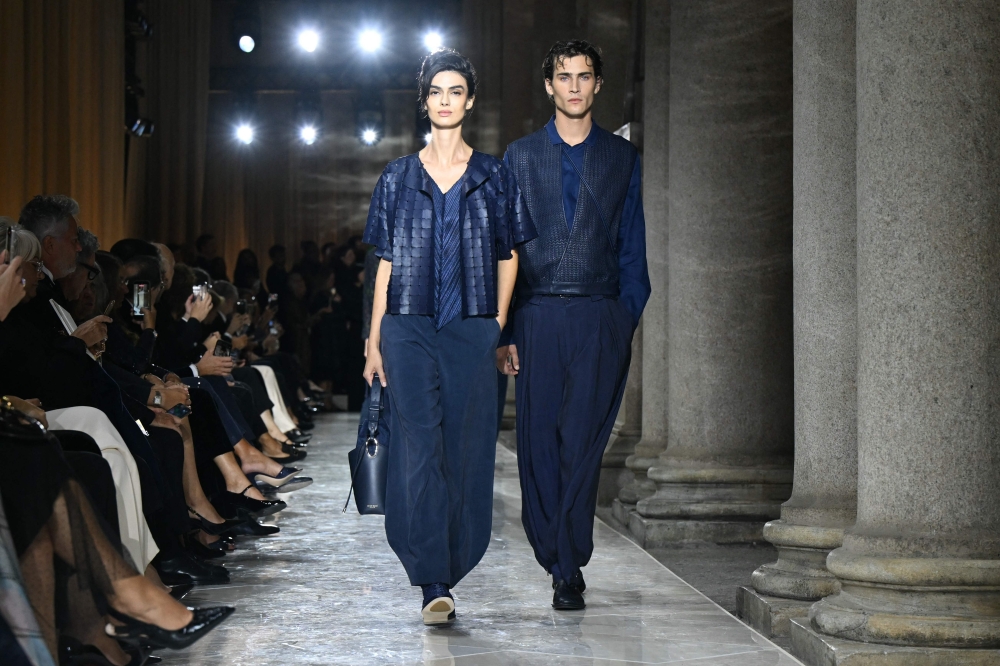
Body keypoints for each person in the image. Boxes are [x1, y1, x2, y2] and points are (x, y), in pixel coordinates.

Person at [363, 48, 535, 625]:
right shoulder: (396, 177)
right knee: (417, 447)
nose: (444, 99)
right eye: (436, 90)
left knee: (464, 448)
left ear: (470, 100)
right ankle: (432, 579)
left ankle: (449, 566)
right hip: (406, 327)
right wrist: (373, 338)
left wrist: (496, 325)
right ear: (424, 100)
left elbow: (509, 255)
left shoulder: (494, 175)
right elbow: (385, 263)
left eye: (455, 90)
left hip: (470, 329)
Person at [497, 40, 651, 611]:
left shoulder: (621, 158)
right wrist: (505, 330)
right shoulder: (518, 157)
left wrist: (623, 317)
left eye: (585, 77)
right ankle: (555, 552)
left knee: (582, 444)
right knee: (539, 444)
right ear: (549, 85)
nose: (575, 86)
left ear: (598, 85)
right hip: (536, 315)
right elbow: (505, 250)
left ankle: (568, 562)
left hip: (597, 314)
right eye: (565, 77)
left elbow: (632, 249)